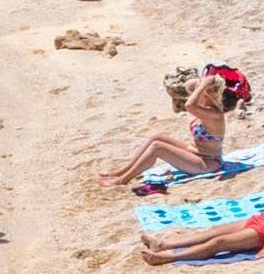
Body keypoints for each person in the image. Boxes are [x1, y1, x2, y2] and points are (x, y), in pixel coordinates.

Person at [99, 68, 239, 189]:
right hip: (195, 152)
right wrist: (203, 83)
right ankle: (121, 171)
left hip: (207, 162)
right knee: (157, 137)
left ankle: (123, 180)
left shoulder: (214, 113)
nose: (194, 92)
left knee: (157, 147)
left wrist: (203, 85)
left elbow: (189, 106)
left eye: (198, 91)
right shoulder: (206, 106)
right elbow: (188, 86)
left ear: (205, 94)